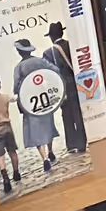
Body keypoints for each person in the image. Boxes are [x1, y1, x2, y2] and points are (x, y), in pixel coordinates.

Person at [10, 38, 65, 176]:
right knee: (48, 126)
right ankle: (51, 151)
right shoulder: (41, 61)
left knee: (35, 132)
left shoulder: (19, 68)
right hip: (45, 98)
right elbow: (55, 70)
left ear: (20, 52)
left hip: (30, 102)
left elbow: (16, 88)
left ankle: (44, 158)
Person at [43, 21, 86, 155]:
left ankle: (71, 144)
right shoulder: (71, 45)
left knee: (66, 115)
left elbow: (49, 76)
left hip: (61, 88)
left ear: (51, 37)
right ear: (62, 32)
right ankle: (82, 143)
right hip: (75, 83)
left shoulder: (48, 53)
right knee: (78, 113)